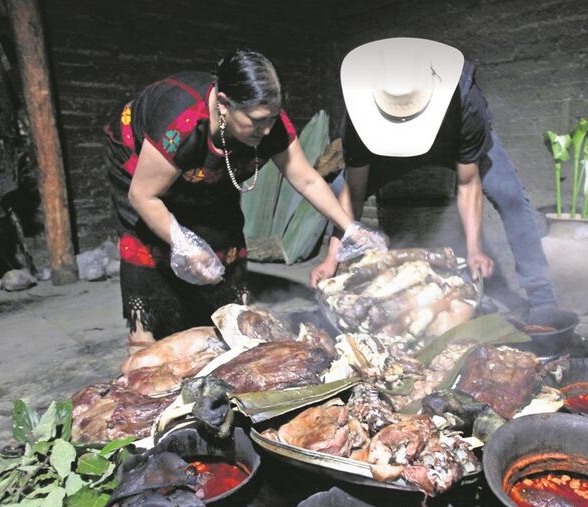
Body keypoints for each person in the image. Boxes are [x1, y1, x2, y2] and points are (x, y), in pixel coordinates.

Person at [105, 49, 385, 350]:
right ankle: (143, 335)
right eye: (258, 121)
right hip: (141, 160)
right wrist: (181, 241)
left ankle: (223, 314)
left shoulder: (266, 125)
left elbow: (305, 179)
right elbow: (143, 195)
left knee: (220, 226)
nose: (267, 131)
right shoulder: (182, 123)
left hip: (206, 165)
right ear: (224, 104)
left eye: (273, 119)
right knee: (149, 240)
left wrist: (351, 228)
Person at [309, 38, 556, 319]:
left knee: (510, 195)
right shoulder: (360, 114)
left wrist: (475, 248)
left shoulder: (465, 100)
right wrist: (331, 258)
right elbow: (353, 192)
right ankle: (334, 285)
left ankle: (542, 297)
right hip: (387, 148)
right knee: (339, 185)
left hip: (451, 142)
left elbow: (467, 182)